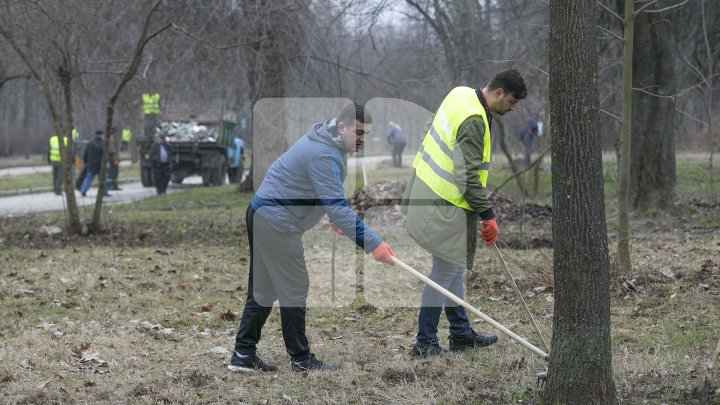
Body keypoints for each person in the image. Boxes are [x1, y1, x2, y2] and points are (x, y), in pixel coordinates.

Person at [228, 102, 396, 373]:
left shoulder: (329, 141)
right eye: (360, 133)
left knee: (265, 288)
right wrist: (374, 244)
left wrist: (330, 214)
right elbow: (338, 207)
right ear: (342, 127)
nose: (364, 140)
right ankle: (301, 359)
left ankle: (243, 354)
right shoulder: (323, 152)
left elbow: (314, 187)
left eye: (368, 134)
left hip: (261, 212)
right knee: (294, 288)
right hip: (275, 221)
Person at [401, 69, 527, 357]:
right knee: (444, 271)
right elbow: (468, 178)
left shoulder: (460, 94)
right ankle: (425, 342)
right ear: (498, 93)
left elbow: (430, 130)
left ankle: (460, 334)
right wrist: (488, 214)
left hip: (429, 193)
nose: (513, 107)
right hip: (444, 205)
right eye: (512, 101)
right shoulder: (474, 120)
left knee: (454, 268)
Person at [79, 130, 110, 198]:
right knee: (103, 178)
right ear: (101, 135)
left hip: (91, 164)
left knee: (88, 178)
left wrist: (86, 162)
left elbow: (85, 154)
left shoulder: (90, 143)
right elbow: (106, 154)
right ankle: (105, 191)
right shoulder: (103, 144)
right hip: (100, 164)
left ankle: (83, 190)